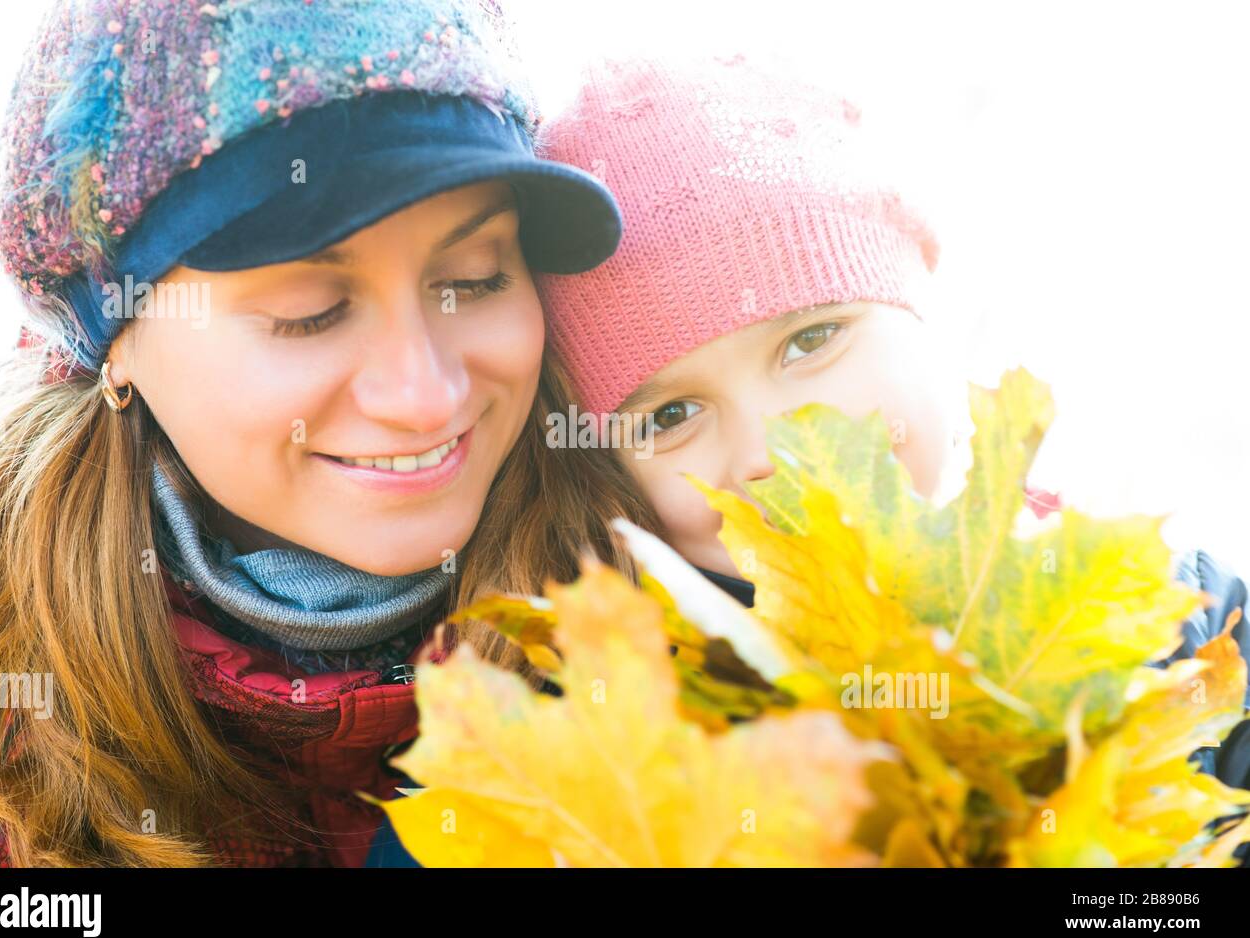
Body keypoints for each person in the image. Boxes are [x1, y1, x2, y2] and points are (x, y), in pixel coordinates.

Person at [0, 0, 654, 868]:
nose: (426, 395)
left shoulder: (682, 596)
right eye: (310, 313)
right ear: (115, 343)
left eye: (473, 280)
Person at [533, 54, 1250, 823]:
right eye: (669, 417)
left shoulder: (1184, 625)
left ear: (919, 318)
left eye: (811, 342)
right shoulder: (625, 760)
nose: (772, 452)